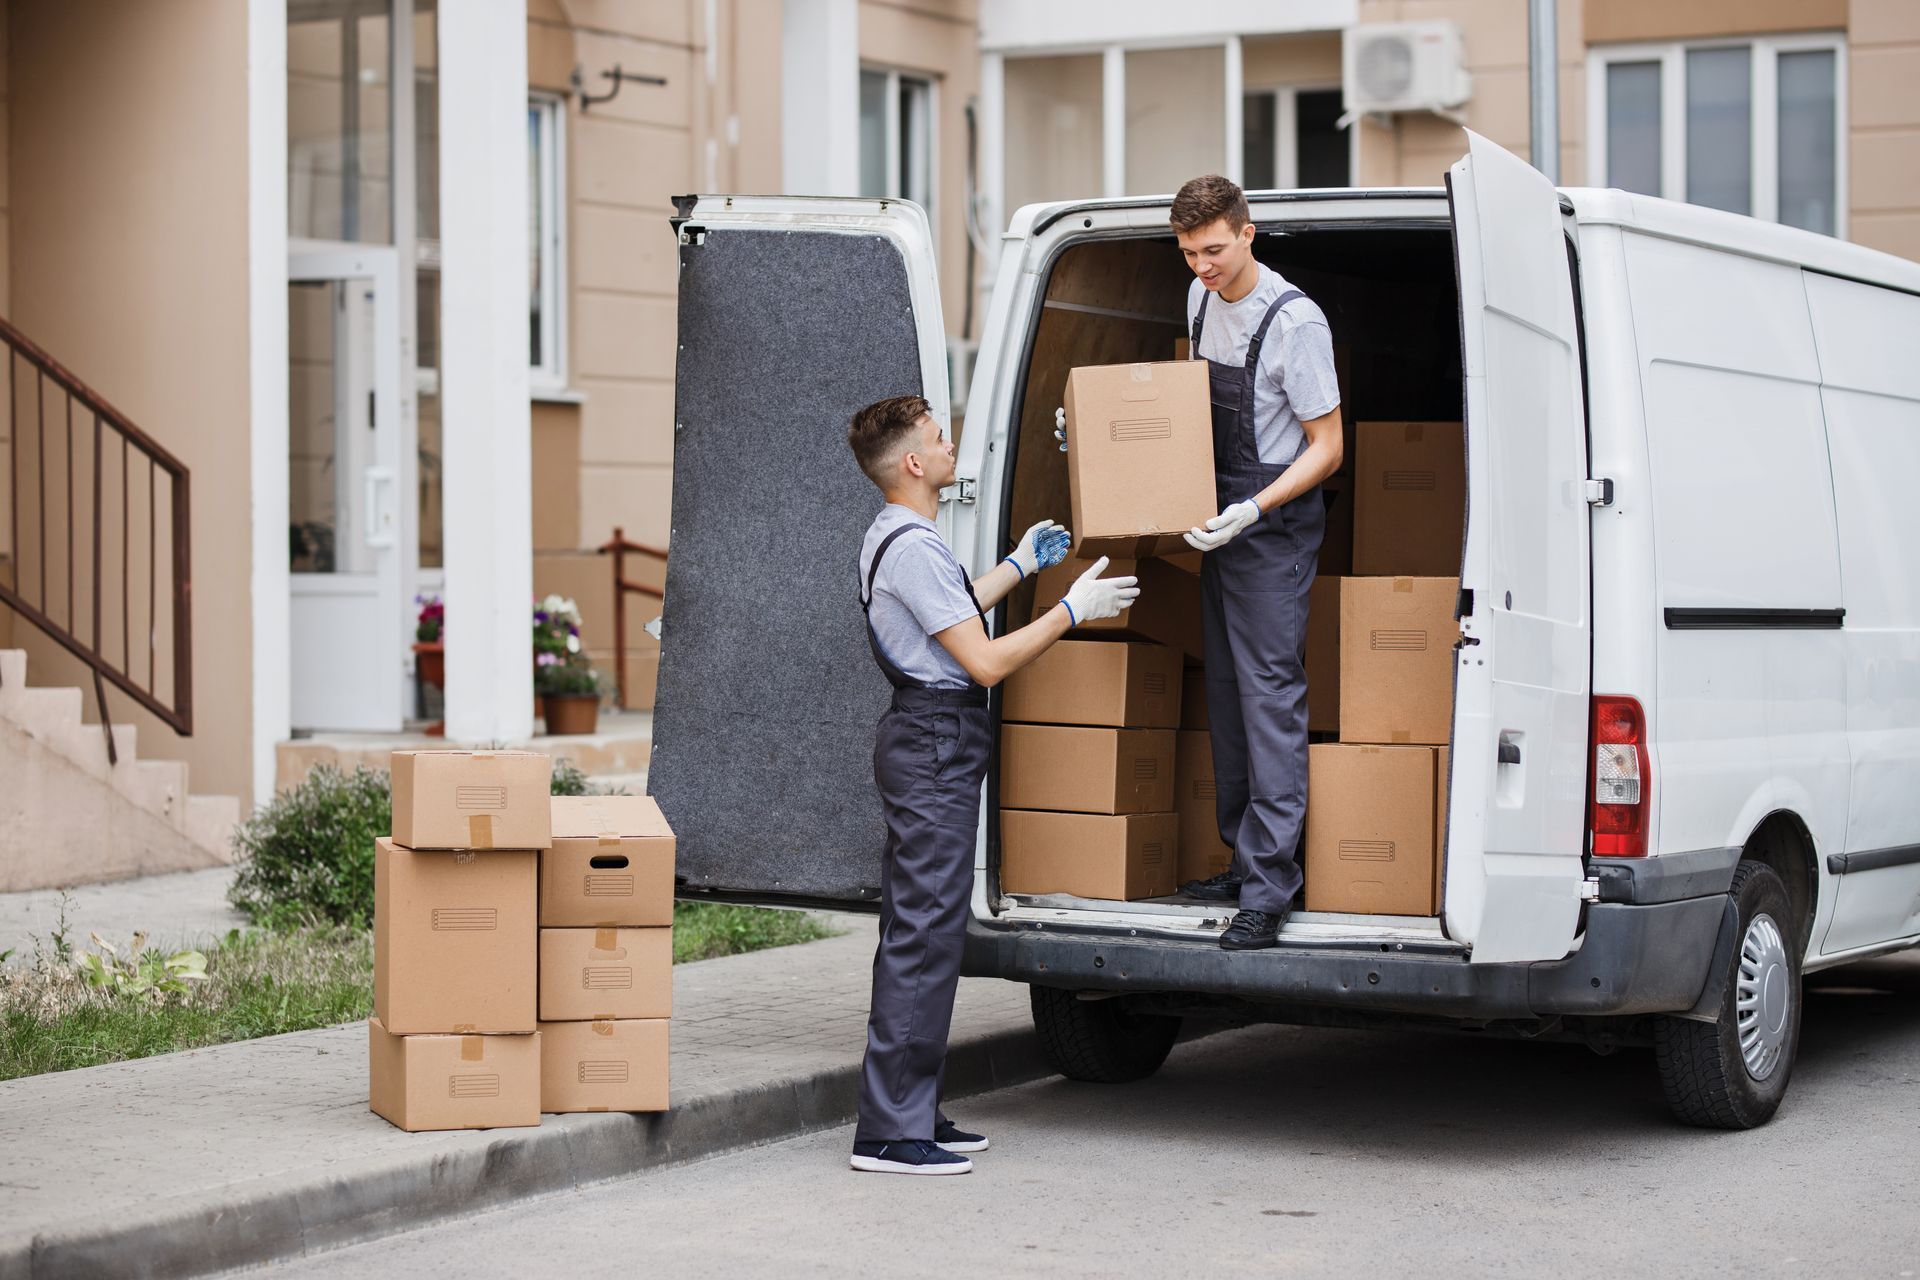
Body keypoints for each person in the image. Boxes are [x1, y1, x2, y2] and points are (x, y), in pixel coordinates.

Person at [847, 394, 1138, 1175]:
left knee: (932, 933)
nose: (952, 449)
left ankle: (910, 1109)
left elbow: (952, 615)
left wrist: (1019, 567)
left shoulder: (905, 535)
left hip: (934, 736)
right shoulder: (910, 544)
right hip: (933, 737)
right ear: (912, 463)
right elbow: (984, 661)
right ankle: (888, 1133)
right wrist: (1070, 611)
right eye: (940, 439)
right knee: (921, 934)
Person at [1059, 174, 1343, 951]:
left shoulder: (1295, 323)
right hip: (1216, 518)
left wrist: (1255, 508)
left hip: (1271, 526)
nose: (1201, 267)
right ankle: (1244, 858)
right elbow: (1185, 407)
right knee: (1225, 691)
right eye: (1188, 253)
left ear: (1248, 233)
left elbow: (1329, 445)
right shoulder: (1198, 299)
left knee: (1268, 698)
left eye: (1213, 249)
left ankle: (1271, 887)